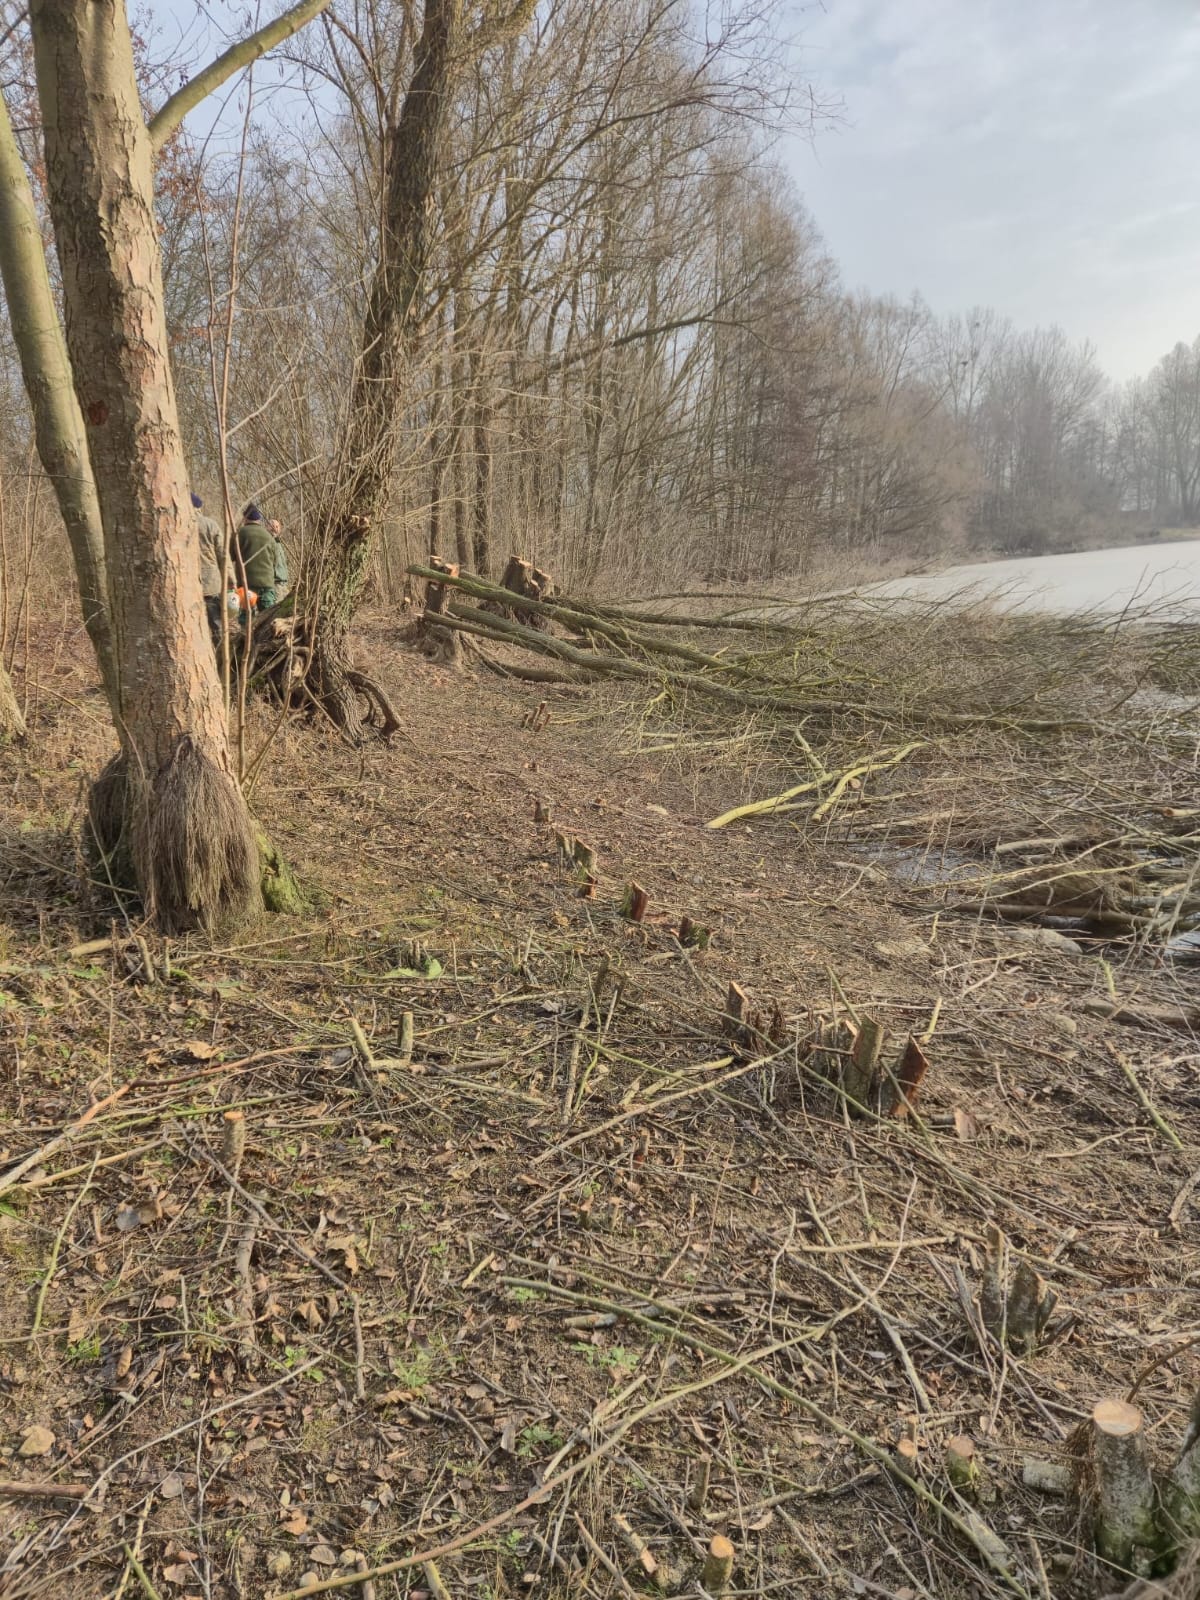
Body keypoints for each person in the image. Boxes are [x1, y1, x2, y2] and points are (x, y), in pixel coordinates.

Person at [192, 492, 227, 642]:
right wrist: (231, 580)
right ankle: (221, 656)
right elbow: (223, 554)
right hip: (211, 584)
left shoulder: (177, 524)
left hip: (189, 584)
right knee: (216, 624)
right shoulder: (210, 525)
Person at [234, 502, 278, 611]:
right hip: (267, 583)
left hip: (247, 583)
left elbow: (231, 555)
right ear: (259, 520)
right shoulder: (269, 536)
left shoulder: (239, 533)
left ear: (245, 518)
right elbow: (275, 561)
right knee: (267, 617)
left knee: (246, 617)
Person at [268, 517, 290, 600]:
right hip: (275, 583)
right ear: (267, 527)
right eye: (272, 526)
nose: (274, 528)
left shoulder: (279, 542)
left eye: (277, 526)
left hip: (284, 583)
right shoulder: (268, 541)